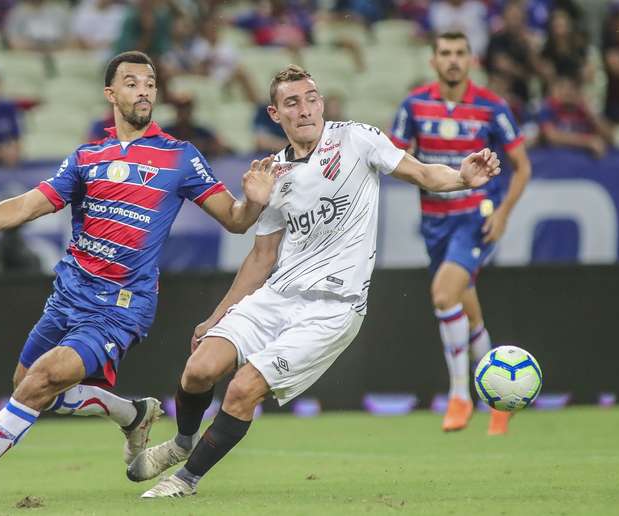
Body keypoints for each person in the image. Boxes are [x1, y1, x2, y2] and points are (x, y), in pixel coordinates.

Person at [0, 50, 276, 506]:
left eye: (150, 83)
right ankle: (131, 411)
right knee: (28, 387)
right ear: (111, 93)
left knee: (41, 380)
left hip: (120, 305)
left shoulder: (178, 156)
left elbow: (236, 221)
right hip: (67, 297)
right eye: (132, 82)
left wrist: (253, 203)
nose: (144, 90)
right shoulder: (87, 156)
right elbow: (26, 206)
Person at [129, 64, 502, 498]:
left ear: (321, 102)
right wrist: (217, 316)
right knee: (198, 371)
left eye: (311, 98)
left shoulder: (357, 139)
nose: (305, 109)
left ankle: (185, 480)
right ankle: (182, 442)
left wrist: (461, 177)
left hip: (333, 307)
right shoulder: (273, 174)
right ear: (275, 114)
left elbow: (420, 172)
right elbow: (262, 256)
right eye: (292, 102)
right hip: (278, 295)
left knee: (243, 389)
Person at [389, 32, 531, 435]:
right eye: (445, 53)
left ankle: (459, 396)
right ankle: (499, 401)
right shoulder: (414, 105)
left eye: (459, 53)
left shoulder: (491, 107)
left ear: (472, 60)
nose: (453, 60)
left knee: (443, 294)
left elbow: (522, 165)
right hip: (434, 222)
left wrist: (502, 213)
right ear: (433, 61)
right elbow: (393, 158)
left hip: (476, 217)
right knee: (468, 313)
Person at [538, 73, 613, 158]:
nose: (567, 92)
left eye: (571, 88)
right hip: (557, 160)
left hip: (586, 161)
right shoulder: (548, 108)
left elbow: (609, 136)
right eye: (562, 88)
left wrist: (590, 111)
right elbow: (551, 136)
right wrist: (587, 141)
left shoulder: (584, 108)